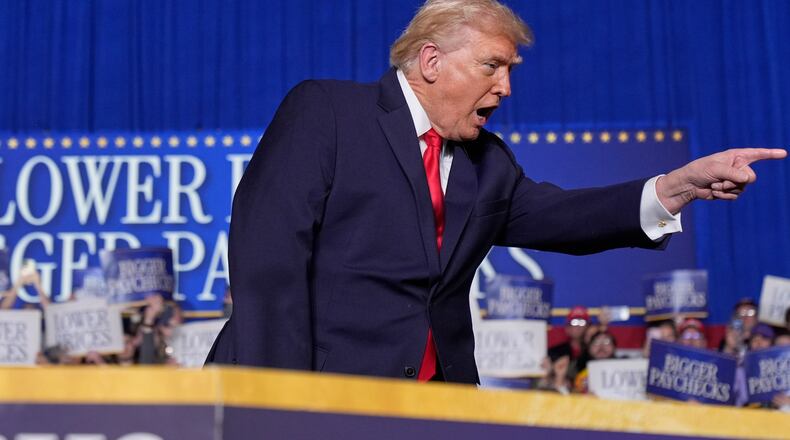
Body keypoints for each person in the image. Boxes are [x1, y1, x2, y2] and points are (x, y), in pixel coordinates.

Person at [205, 0, 786, 384]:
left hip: (440, 407)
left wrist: (678, 186)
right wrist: (276, 400)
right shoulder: (329, 112)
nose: (506, 88)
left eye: (511, 70)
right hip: (316, 397)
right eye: (492, 66)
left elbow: (565, 217)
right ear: (431, 61)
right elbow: (268, 260)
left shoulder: (490, 161)